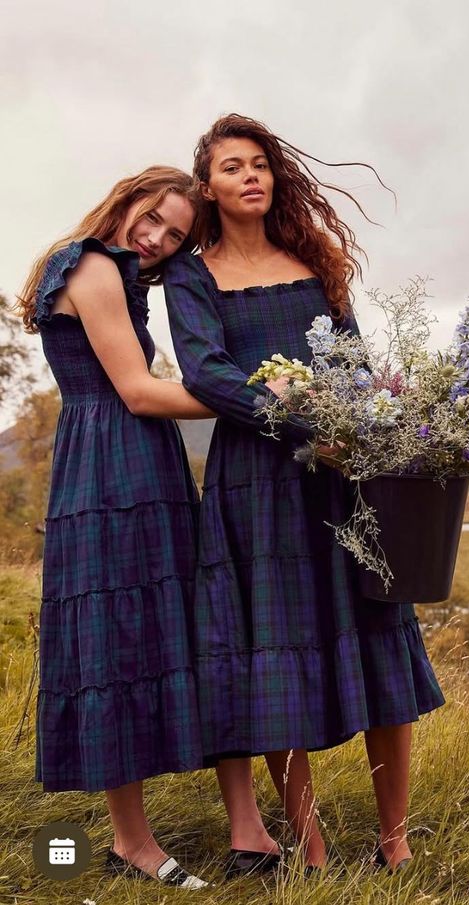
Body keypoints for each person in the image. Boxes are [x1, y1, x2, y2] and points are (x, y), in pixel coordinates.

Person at [163, 115, 445, 877]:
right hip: (255, 482)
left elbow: (353, 360)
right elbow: (204, 372)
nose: (250, 175)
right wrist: (291, 414)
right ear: (209, 186)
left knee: (380, 636)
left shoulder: (314, 263)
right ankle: (311, 844)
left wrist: (351, 423)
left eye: (259, 164)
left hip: (342, 476)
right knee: (276, 653)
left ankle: (395, 836)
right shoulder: (192, 275)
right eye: (231, 167)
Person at [17, 167, 216, 890]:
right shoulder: (95, 266)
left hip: (123, 458)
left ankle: (134, 835)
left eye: (175, 234)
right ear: (127, 197)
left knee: (135, 634)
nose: (158, 237)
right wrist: (258, 400)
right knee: (115, 640)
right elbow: (136, 391)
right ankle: (130, 842)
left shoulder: (110, 272)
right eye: (153, 217)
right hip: (113, 465)